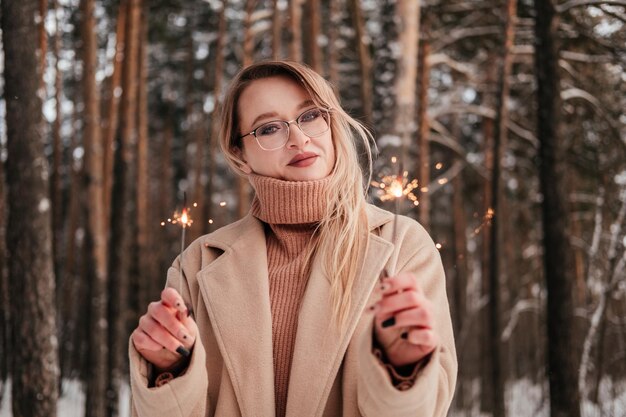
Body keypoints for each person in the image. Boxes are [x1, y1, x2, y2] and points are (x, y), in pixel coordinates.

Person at [129, 60, 457, 417]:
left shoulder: (402, 246)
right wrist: (168, 371)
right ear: (239, 153)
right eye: (269, 128)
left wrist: (402, 370)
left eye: (310, 115)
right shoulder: (198, 262)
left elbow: (428, 407)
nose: (299, 139)